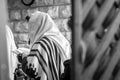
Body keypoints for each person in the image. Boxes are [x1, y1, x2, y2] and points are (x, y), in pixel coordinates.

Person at [22, 11, 71, 80]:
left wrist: (24, 58)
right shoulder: (63, 40)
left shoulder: (40, 44)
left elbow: (31, 70)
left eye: (31, 27)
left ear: (37, 26)